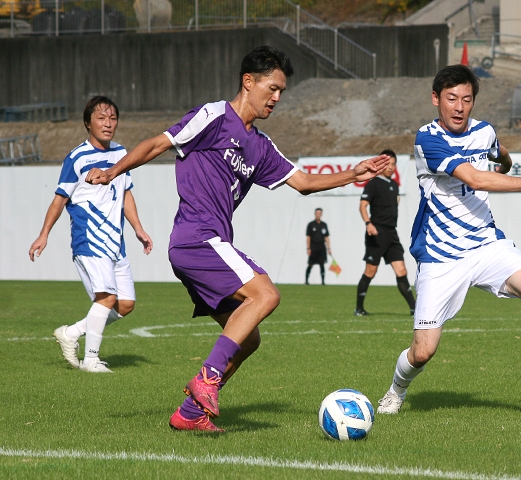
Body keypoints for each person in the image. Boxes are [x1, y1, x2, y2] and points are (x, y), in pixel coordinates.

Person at [84, 46, 390, 432]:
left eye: (282, 91)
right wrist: (112, 171)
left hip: (209, 244)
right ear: (249, 81)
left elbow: (305, 183)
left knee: (248, 340)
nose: (277, 98)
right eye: (272, 88)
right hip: (195, 237)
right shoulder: (213, 116)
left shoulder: (260, 146)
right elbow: (158, 144)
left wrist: (353, 172)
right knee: (266, 295)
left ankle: (190, 413)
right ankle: (207, 378)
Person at [377, 65, 521, 415]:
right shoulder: (427, 139)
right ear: (436, 99)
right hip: (441, 254)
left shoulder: (484, 131)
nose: (459, 107)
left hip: (486, 243)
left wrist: (504, 160)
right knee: (423, 350)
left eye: (466, 99)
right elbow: (474, 178)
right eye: (451, 98)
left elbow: (496, 152)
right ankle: (396, 391)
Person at [29, 96, 153, 373]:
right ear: (88, 123)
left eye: (112, 118)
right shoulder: (76, 158)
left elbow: (126, 194)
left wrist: (138, 229)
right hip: (89, 239)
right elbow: (59, 200)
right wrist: (43, 234)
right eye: (101, 118)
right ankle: (91, 360)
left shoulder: (121, 153)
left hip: (115, 242)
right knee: (106, 298)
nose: (108, 124)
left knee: (126, 304)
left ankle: (71, 333)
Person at [355, 149, 415, 316]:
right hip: (376, 233)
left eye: (393, 164)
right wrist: (368, 223)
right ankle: (359, 308)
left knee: (401, 271)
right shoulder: (373, 183)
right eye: (388, 164)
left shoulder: (394, 185)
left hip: (391, 234)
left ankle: (414, 308)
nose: (391, 167)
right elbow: (362, 205)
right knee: (370, 271)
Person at [305, 208, 331, 285]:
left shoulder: (324, 225)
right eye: (317, 213)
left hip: (321, 246)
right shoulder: (311, 224)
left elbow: (326, 237)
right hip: (313, 246)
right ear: (315, 214)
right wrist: (308, 248)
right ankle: (306, 280)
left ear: (321, 214)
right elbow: (308, 237)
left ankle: (323, 282)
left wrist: (329, 248)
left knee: (322, 264)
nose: (318, 215)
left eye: (319, 213)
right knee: (311, 263)